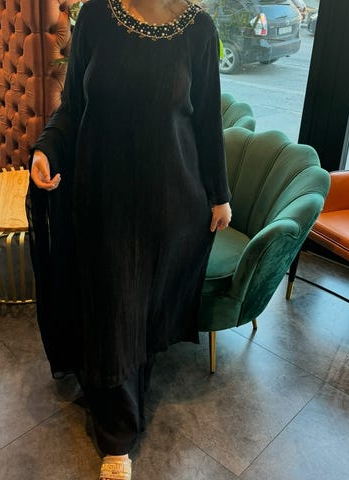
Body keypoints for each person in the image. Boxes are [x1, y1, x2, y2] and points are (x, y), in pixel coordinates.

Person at [26, 0, 232, 478]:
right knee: (113, 308)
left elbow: (207, 121)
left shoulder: (198, 28)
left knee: (135, 311)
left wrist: (219, 194)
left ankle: (129, 378)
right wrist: (47, 150)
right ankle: (117, 437)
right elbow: (73, 106)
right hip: (100, 196)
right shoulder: (97, 15)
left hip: (169, 201)